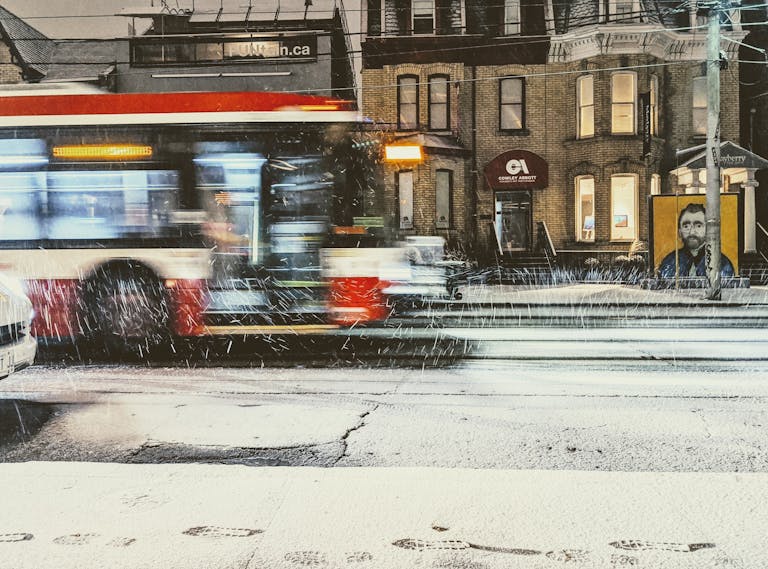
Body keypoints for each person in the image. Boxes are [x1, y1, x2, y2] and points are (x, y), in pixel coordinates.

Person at [658, 203, 734, 278]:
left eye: (698, 226)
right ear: (679, 232)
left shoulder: (721, 263)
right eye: (686, 226)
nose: (692, 231)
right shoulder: (669, 262)